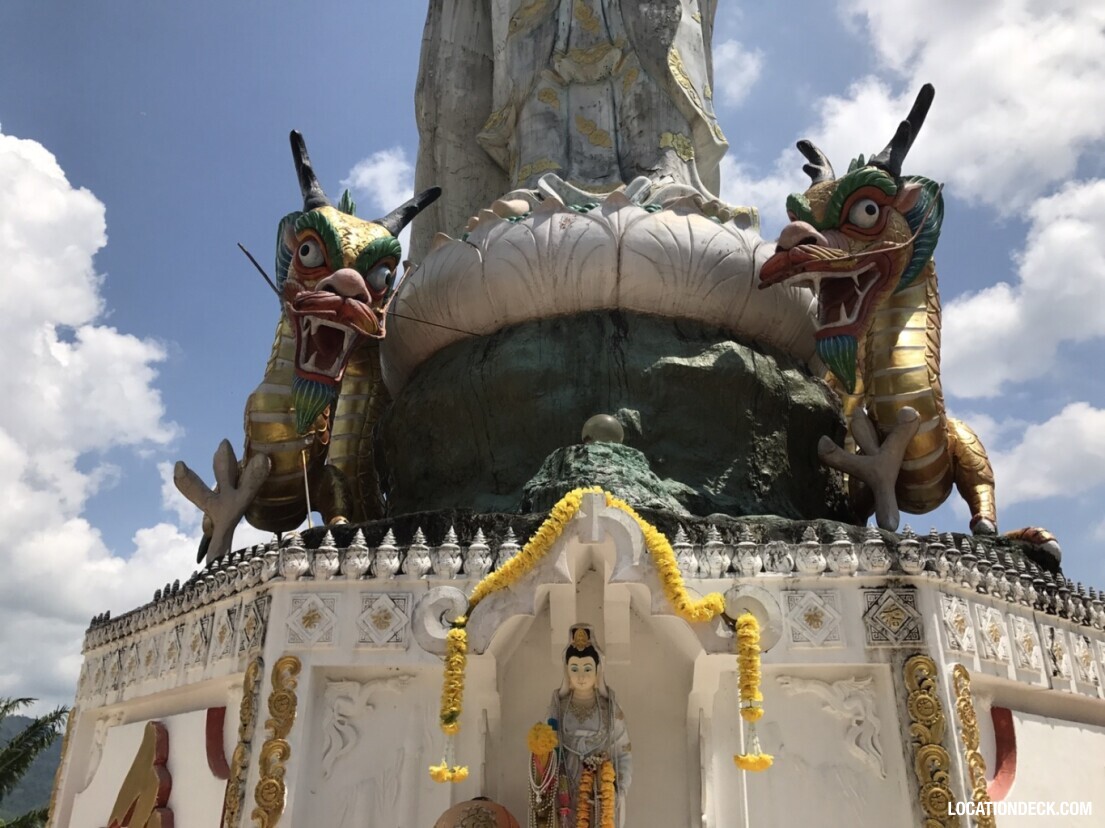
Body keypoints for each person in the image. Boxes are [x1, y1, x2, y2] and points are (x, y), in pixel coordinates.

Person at [529, 625, 632, 828]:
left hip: (599, 785)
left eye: (587, 669)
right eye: (574, 669)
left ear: (598, 671)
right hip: (565, 782)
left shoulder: (609, 707)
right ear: (567, 672)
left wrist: (619, 787)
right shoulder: (558, 707)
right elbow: (546, 750)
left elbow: (623, 750)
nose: (581, 676)